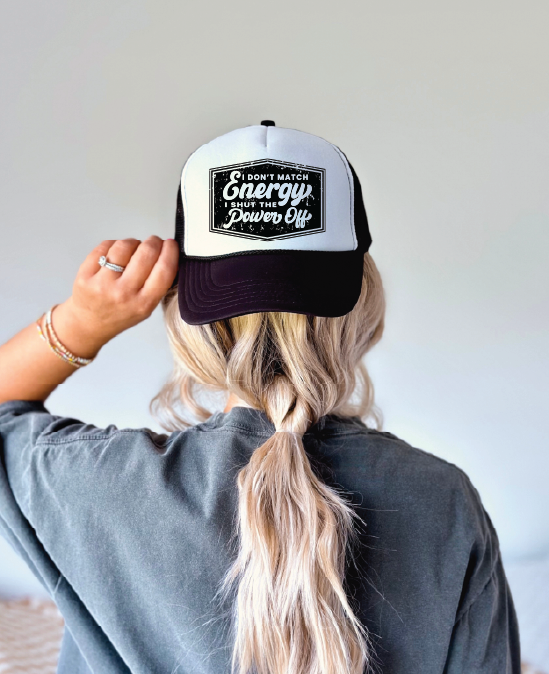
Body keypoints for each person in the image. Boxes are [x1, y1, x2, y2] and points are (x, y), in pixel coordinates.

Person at [0, 121, 520, 674]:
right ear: (365, 303)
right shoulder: (444, 501)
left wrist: (82, 322)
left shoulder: (92, 484)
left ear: (183, 315)